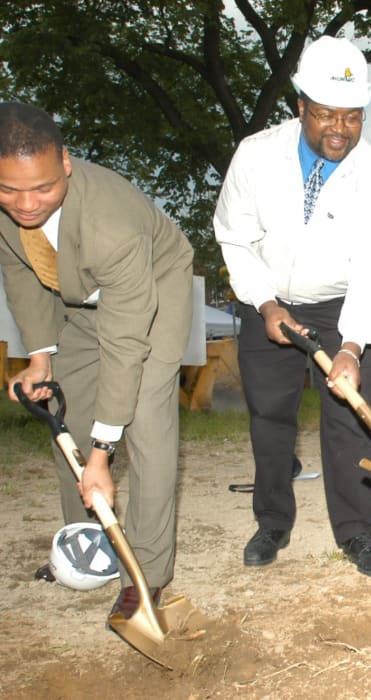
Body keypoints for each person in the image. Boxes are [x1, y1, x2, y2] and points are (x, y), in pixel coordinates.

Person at [214, 37, 371, 577]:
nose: (338, 128)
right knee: (270, 416)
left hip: (341, 307)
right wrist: (266, 304)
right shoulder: (256, 154)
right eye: (324, 115)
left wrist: (352, 346)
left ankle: (355, 533)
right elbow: (234, 237)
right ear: (300, 107)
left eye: (351, 116)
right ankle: (272, 521)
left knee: (347, 419)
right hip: (266, 300)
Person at [0, 103, 193, 621]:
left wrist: (104, 453)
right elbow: (21, 276)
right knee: (71, 412)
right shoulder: (10, 208)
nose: (25, 204)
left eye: (41, 188)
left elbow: (127, 343)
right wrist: (41, 358)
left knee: (146, 421)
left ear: (65, 162)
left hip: (150, 292)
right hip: (79, 295)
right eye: (9, 190)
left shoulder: (112, 220)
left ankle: (146, 575)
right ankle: (84, 549)